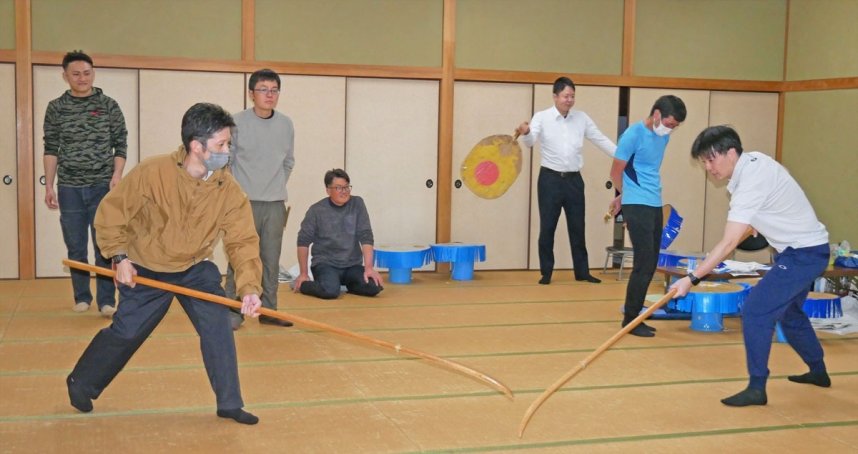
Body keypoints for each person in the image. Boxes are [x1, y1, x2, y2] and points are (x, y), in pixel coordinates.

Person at [65, 103, 264, 425]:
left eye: (229, 144)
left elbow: (242, 242)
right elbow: (111, 215)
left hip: (195, 268)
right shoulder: (152, 172)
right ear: (196, 146)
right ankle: (82, 381)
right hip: (147, 266)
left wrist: (250, 288)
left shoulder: (228, 189)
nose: (228, 151)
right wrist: (119, 257)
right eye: (221, 145)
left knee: (218, 329)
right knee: (127, 332)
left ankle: (229, 403)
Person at [670, 125, 831, 407]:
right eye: (704, 162)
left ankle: (757, 387)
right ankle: (818, 371)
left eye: (711, 159)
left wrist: (691, 278)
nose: (708, 168)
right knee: (789, 313)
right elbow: (761, 215)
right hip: (799, 251)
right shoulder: (754, 164)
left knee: (756, 309)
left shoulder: (751, 179)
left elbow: (729, 241)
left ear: (731, 153)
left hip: (803, 254)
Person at [43, 50, 127, 317]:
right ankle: (81, 296)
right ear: (65, 75)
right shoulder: (56, 107)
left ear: (94, 73)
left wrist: (117, 175)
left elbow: (120, 144)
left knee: (103, 243)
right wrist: (49, 186)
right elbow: (51, 147)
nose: (82, 78)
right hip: (69, 187)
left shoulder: (108, 105)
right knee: (75, 244)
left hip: (102, 184)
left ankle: (106, 300)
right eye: (76, 74)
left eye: (87, 73)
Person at [516, 77, 616, 285]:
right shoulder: (542, 117)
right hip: (550, 179)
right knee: (547, 227)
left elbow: (599, 139)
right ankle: (546, 272)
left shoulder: (582, 118)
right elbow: (530, 141)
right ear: (555, 96)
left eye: (572, 96)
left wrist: (621, 155)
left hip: (574, 180)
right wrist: (525, 133)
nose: (569, 100)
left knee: (578, 227)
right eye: (565, 96)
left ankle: (582, 272)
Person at [609, 95, 687, 337]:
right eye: (669, 123)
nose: (670, 129)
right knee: (643, 264)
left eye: (675, 127)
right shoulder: (632, 135)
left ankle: (638, 314)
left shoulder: (662, 138)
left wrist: (622, 197)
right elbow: (616, 172)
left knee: (651, 263)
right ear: (656, 115)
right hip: (638, 205)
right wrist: (626, 197)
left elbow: (644, 170)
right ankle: (630, 320)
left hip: (653, 201)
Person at [225, 69, 295, 330]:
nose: (270, 95)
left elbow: (288, 162)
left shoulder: (286, 124)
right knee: (239, 257)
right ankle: (232, 309)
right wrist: (237, 193)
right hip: (243, 203)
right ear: (251, 93)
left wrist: (275, 186)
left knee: (270, 258)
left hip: (275, 203)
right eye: (263, 89)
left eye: (274, 90)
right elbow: (227, 160)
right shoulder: (236, 122)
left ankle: (269, 309)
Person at [293, 169, 383, 299]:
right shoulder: (316, 210)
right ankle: (303, 284)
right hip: (325, 264)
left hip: (352, 264)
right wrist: (303, 273)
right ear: (328, 190)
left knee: (374, 287)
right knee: (330, 292)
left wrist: (369, 268)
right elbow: (303, 241)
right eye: (339, 188)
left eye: (347, 187)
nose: (344, 191)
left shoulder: (357, 204)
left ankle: (347, 284)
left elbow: (366, 235)